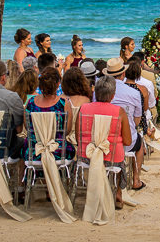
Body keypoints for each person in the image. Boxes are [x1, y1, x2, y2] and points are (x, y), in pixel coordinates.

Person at [77, 75, 133, 209]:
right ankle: (118, 192)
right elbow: (127, 141)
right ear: (113, 95)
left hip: (86, 157)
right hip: (111, 158)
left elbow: (78, 135)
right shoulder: (119, 112)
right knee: (120, 161)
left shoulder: (83, 109)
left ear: (95, 92)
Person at [103, 58, 145, 190]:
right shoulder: (134, 93)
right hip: (126, 142)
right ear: (123, 74)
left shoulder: (99, 90)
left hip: (104, 140)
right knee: (139, 141)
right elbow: (137, 120)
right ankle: (136, 179)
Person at [25, 67, 74, 161]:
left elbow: (28, 128)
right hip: (58, 151)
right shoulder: (64, 103)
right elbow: (67, 131)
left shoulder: (30, 102)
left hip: (34, 151)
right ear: (58, 84)